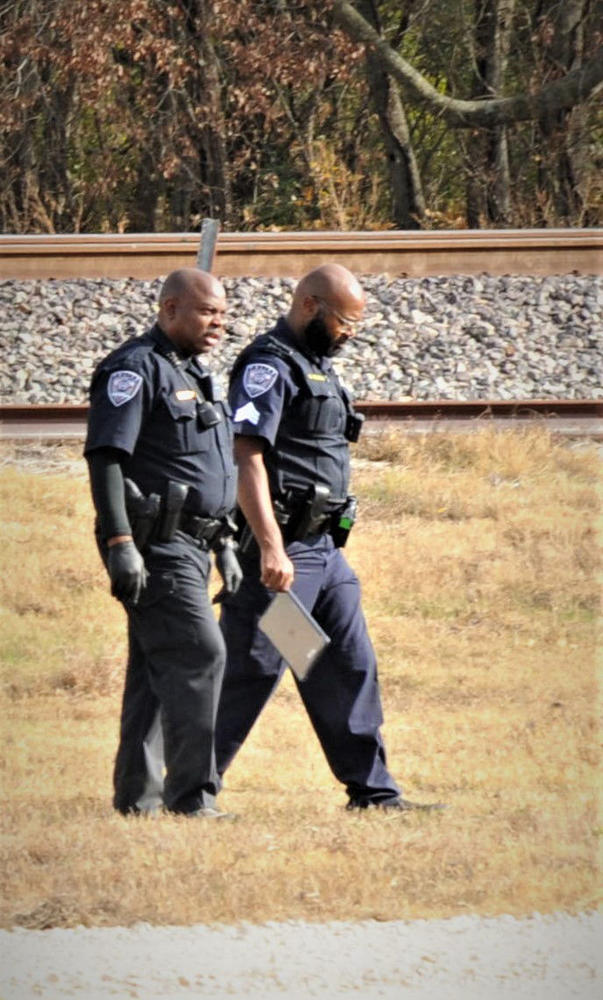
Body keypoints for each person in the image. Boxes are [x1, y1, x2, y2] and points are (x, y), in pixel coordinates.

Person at [215, 264, 442, 811]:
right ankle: (192, 786)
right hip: (283, 554)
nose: (349, 333)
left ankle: (374, 792)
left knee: (345, 663)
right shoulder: (268, 365)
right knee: (254, 666)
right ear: (311, 305)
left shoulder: (318, 366)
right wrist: (269, 545)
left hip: (323, 554)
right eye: (345, 321)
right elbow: (247, 454)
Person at [84, 268, 242, 818]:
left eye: (223, 313)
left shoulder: (195, 373)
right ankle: (192, 799)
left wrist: (223, 542)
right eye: (207, 312)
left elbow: (207, 467)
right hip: (155, 543)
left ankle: (138, 799)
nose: (219, 323)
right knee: (200, 653)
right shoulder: (133, 369)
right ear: (170, 308)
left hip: (195, 544)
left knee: (156, 670)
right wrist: (120, 540)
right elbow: (107, 456)